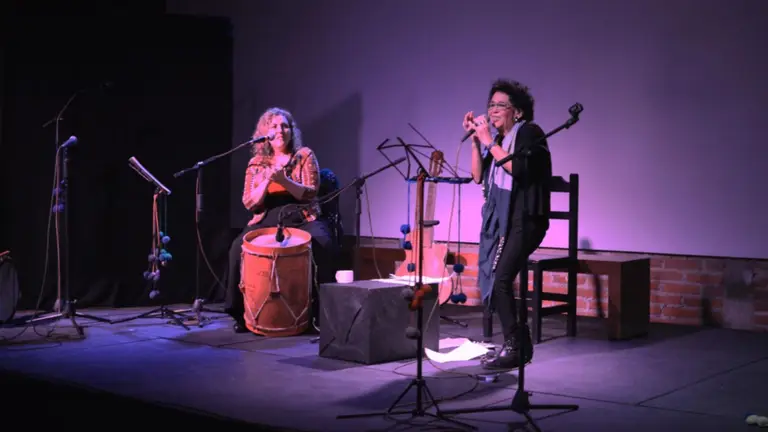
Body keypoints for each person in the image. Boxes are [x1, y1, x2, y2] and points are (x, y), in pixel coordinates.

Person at [464, 79, 552, 369]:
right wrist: (477, 141)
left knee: (501, 279)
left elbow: (520, 170)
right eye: (491, 105)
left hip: (527, 219)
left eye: (501, 105)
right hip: (506, 221)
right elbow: (478, 176)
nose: (493, 110)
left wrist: (489, 141)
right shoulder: (499, 142)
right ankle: (519, 344)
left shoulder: (529, 133)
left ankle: (515, 346)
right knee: (498, 277)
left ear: (518, 111)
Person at [225, 107, 336, 333]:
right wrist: (268, 180)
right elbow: (249, 202)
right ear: (264, 133)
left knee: (323, 243)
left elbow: (310, 192)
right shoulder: (257, 163)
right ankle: (241, 314)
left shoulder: (304, 155)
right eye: (274, 126)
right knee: (237, 247)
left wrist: (284, 180)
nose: (280, 130)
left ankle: (321, 314)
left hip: (301, 214)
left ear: (291, 131)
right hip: (268, 216)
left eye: (285, 126)